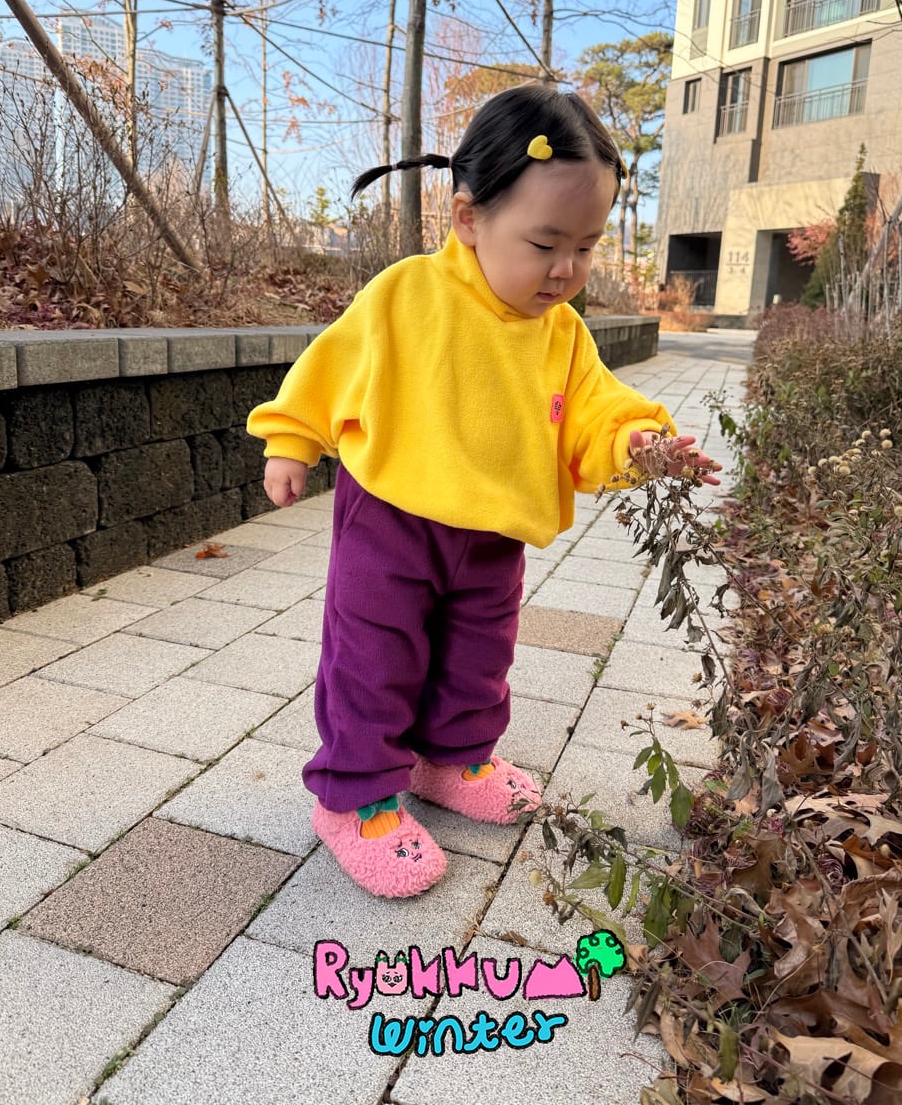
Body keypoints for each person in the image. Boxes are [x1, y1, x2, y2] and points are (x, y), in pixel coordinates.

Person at [247, 82, 719, 899]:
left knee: (479, 653)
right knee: (374, 657)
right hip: (391, 518)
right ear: (469, 218)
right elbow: (332, 365)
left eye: (586, 246)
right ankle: (354, 796)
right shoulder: (409, 295)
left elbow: (596, 413)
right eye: (544, 243)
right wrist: (293, 439)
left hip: (493, 534)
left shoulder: (562, 333)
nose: (566, 270)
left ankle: (454, 758)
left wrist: (637, 445)